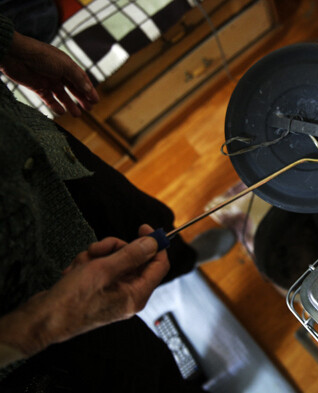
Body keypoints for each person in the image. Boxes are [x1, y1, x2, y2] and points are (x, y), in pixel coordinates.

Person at [0, 14, 202, 392]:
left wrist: (8, 43)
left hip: (34, 158)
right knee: (147, 372)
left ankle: (184, 266)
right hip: (39, 355)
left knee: (144, 222)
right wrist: (44, 324)